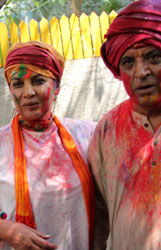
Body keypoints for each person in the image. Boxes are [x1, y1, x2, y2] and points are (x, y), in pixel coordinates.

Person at [88, 0, 161, 249]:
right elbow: (99, 215)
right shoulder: (106, 130)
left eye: (153, 57)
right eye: (128, 62)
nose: (140, 72)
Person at [0, 41, 96, 250]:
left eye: (38, 80)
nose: (28, 92)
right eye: (18, 84)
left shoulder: (85, 135)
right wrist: (6, 230)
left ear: (57, 86)